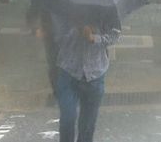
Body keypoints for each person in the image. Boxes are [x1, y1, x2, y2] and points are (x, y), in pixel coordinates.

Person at [51, 11, 121, 142]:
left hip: (95, 73)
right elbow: (57, 37)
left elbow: (115, 35)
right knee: (68, 117)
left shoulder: (107, 8)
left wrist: (94, 37)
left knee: (88, 124)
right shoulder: (65, 7)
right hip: (68, 71)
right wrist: (76, 28)